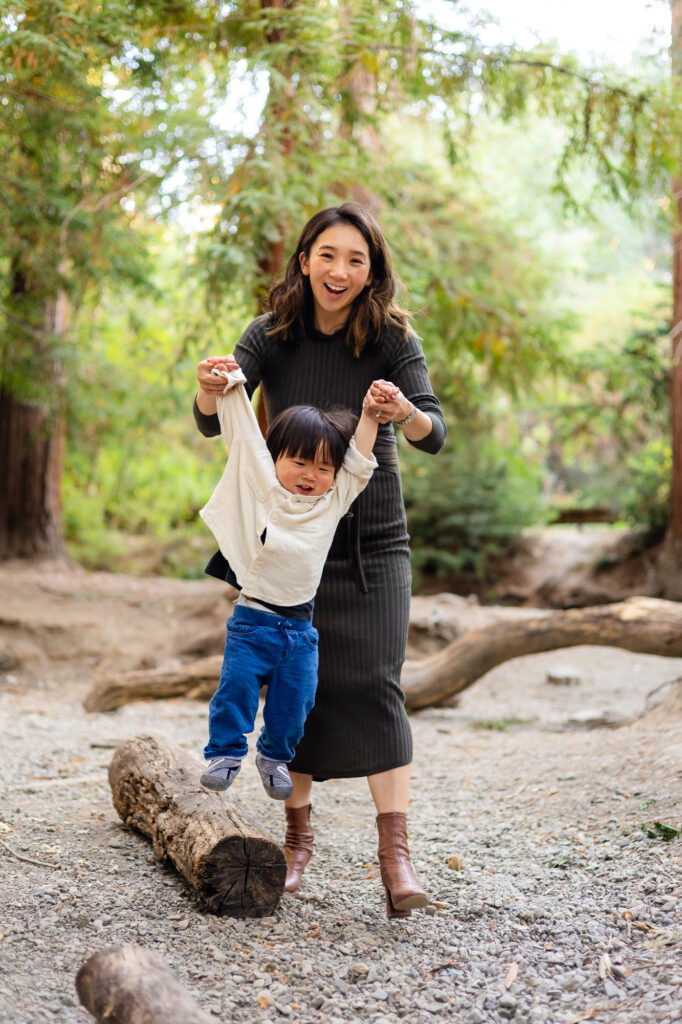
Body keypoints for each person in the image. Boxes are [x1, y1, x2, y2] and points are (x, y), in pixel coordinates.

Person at [194, 202, 446, 919]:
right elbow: (215, 414)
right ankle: (296, 841)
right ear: (304, 259)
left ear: (372, 273)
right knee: (289, 684)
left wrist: (404, 412)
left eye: (356, 260)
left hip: (370, 537)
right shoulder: (269, 334)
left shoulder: (392, 337)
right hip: (288, 543)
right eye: (327, 255)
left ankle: (395, 857)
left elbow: (435, 432)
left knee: (375, 681)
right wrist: (210, 387)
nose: (340, 271)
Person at [198, 356, 385, 799]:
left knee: (296, 702)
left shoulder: (334, 499)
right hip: (252, 623)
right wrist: (228, 384)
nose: (310, 475)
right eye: (299, 462)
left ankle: (274, 756)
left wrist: (372, 412)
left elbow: (358, 458)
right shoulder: (262, 483)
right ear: (276, 457)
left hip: (300, 631)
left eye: (323, 468)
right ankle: (224, 753)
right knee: (236, 691)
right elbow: (243, 434)